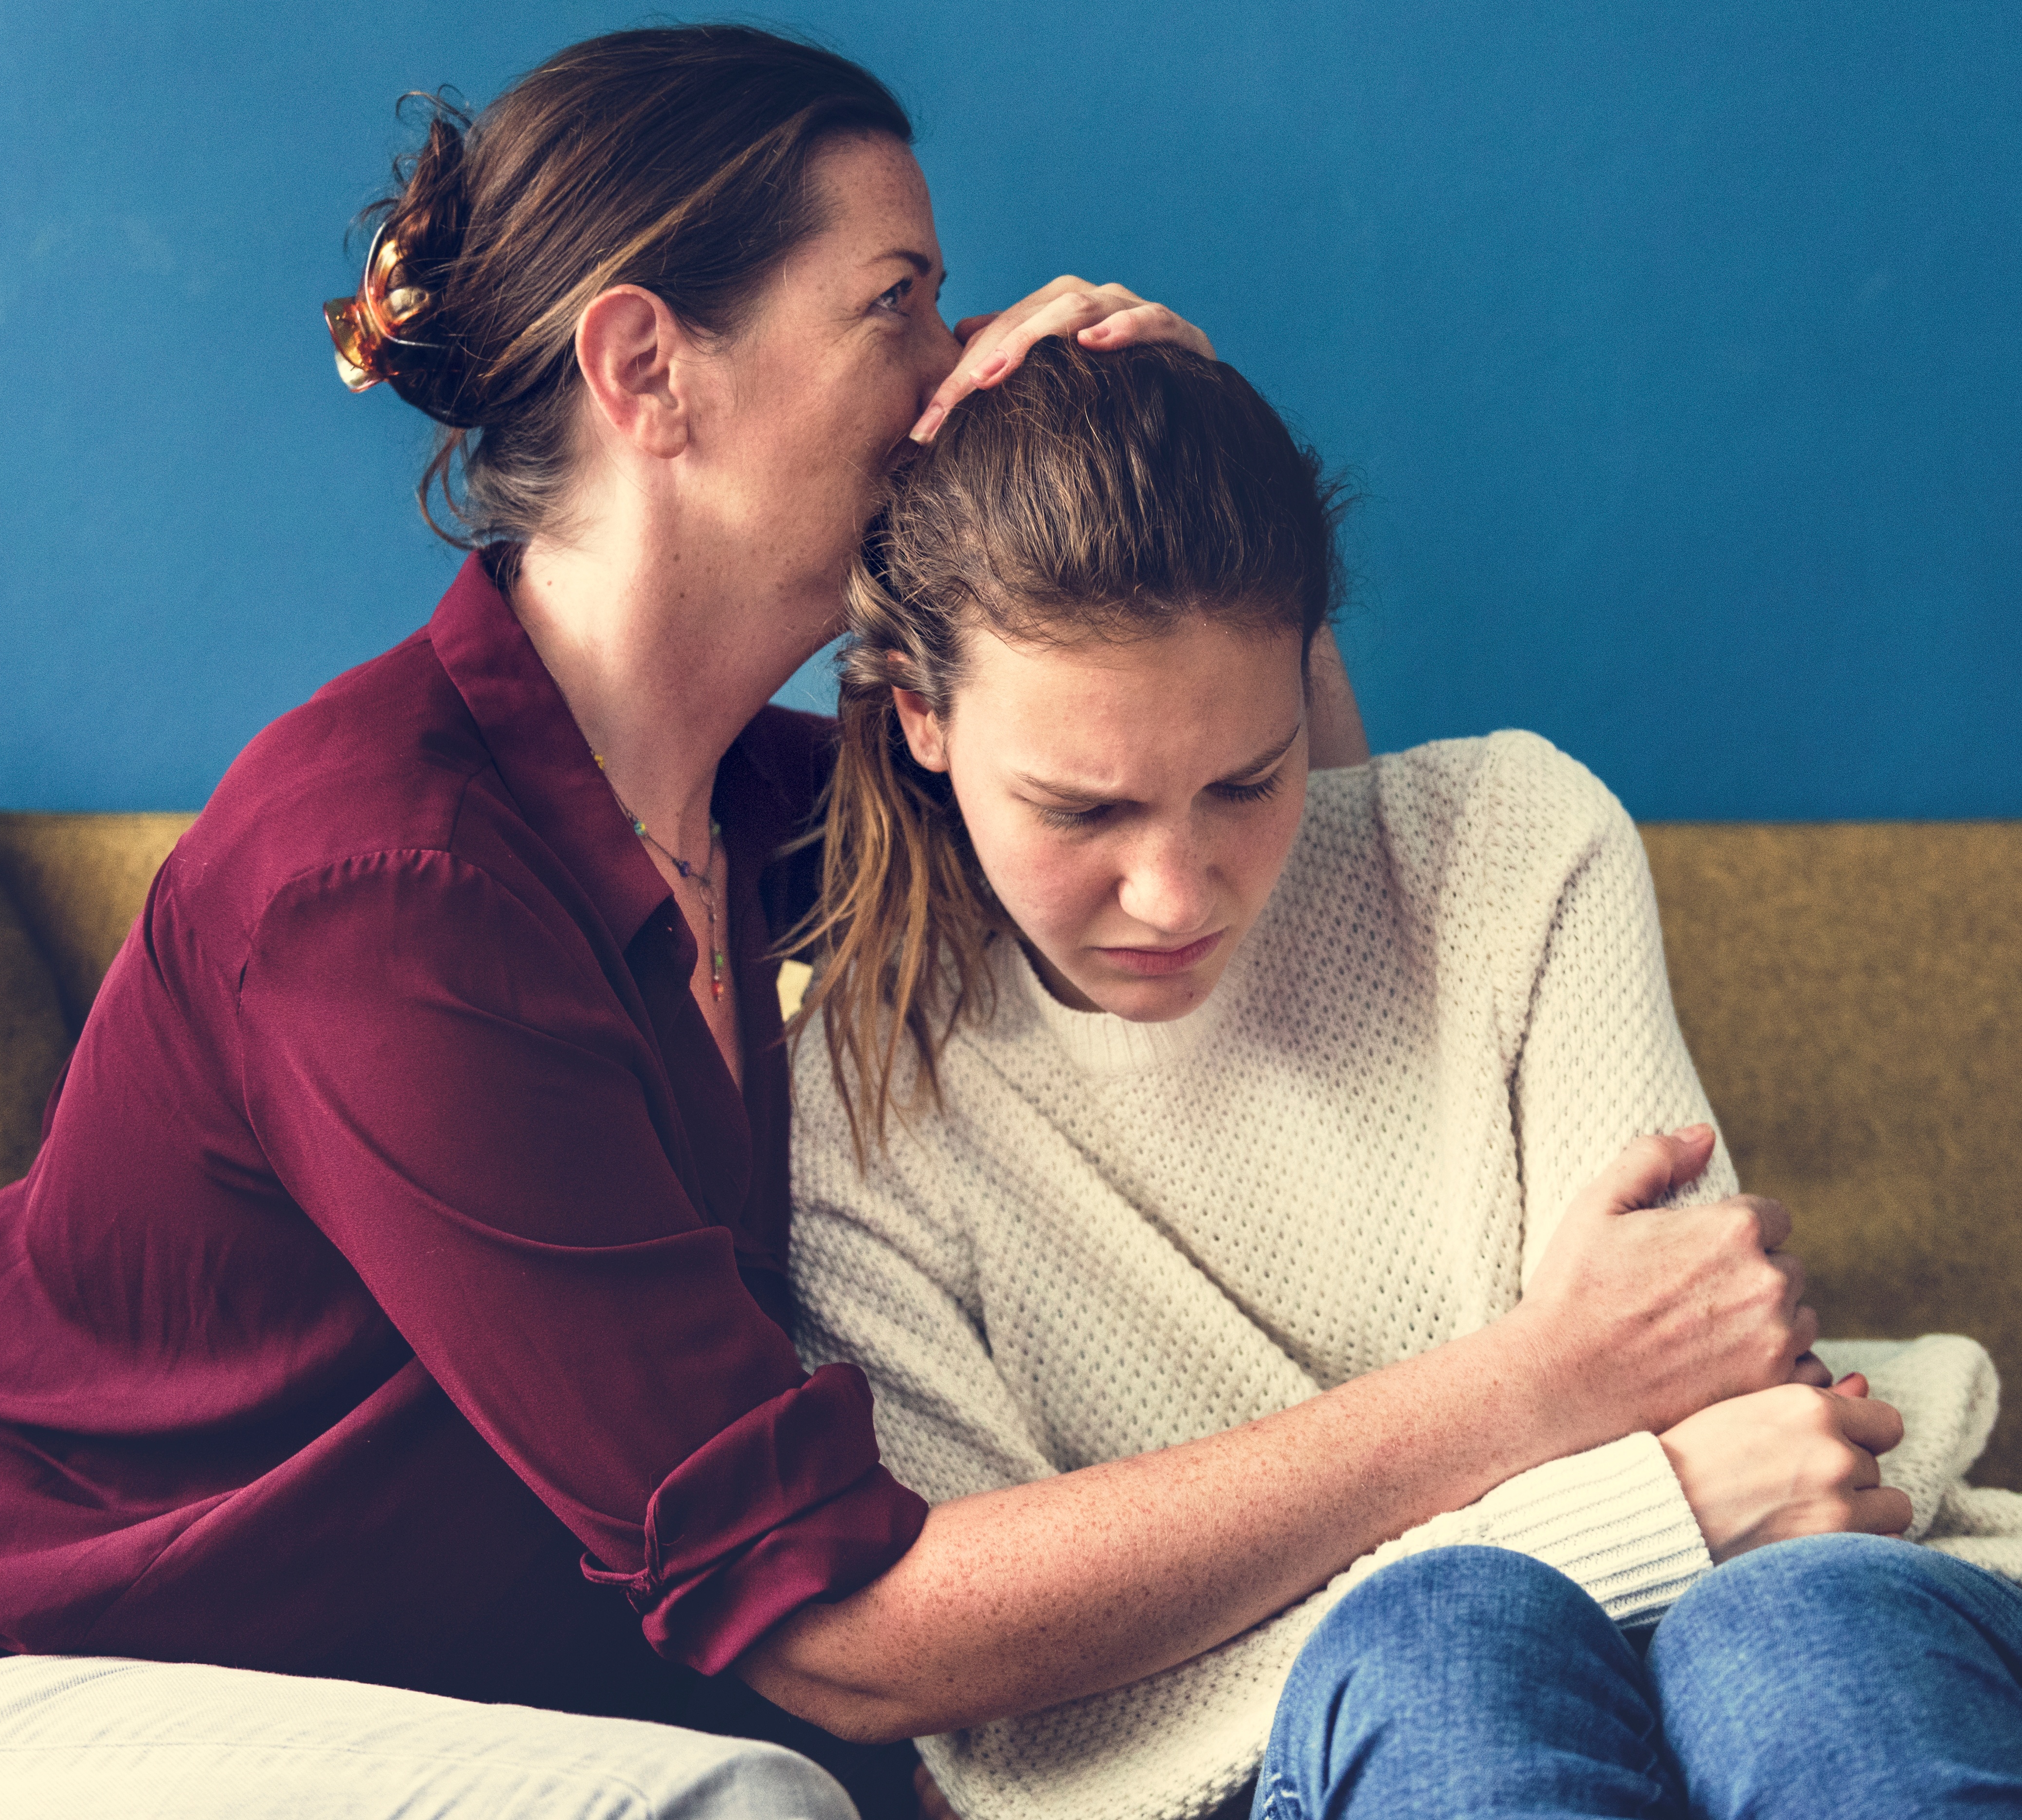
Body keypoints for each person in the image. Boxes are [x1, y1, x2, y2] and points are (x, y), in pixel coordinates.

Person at [0, 25, 1359, 1820]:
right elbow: (837, 1629)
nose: (955, 375)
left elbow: (1297, 890)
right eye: (897, 305)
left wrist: (1200, 502)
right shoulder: (383, 889)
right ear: (651, 368)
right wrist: (1531, 1396)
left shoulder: (784, 815)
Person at [784, 335, 2022, 1819]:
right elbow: (1019, 1715)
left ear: (1311, 669)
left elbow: (1726, 1412)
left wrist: (1674, 1484)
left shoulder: (1509, 846)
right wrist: (1651, 1506)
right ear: (921, 715)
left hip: (1810, 1593)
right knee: (1440, 1651)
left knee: (1797, 1626)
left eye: (1247, 780)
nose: (1177, 894)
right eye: (1084, 808)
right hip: (1284, 1754)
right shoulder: (859, 1105)